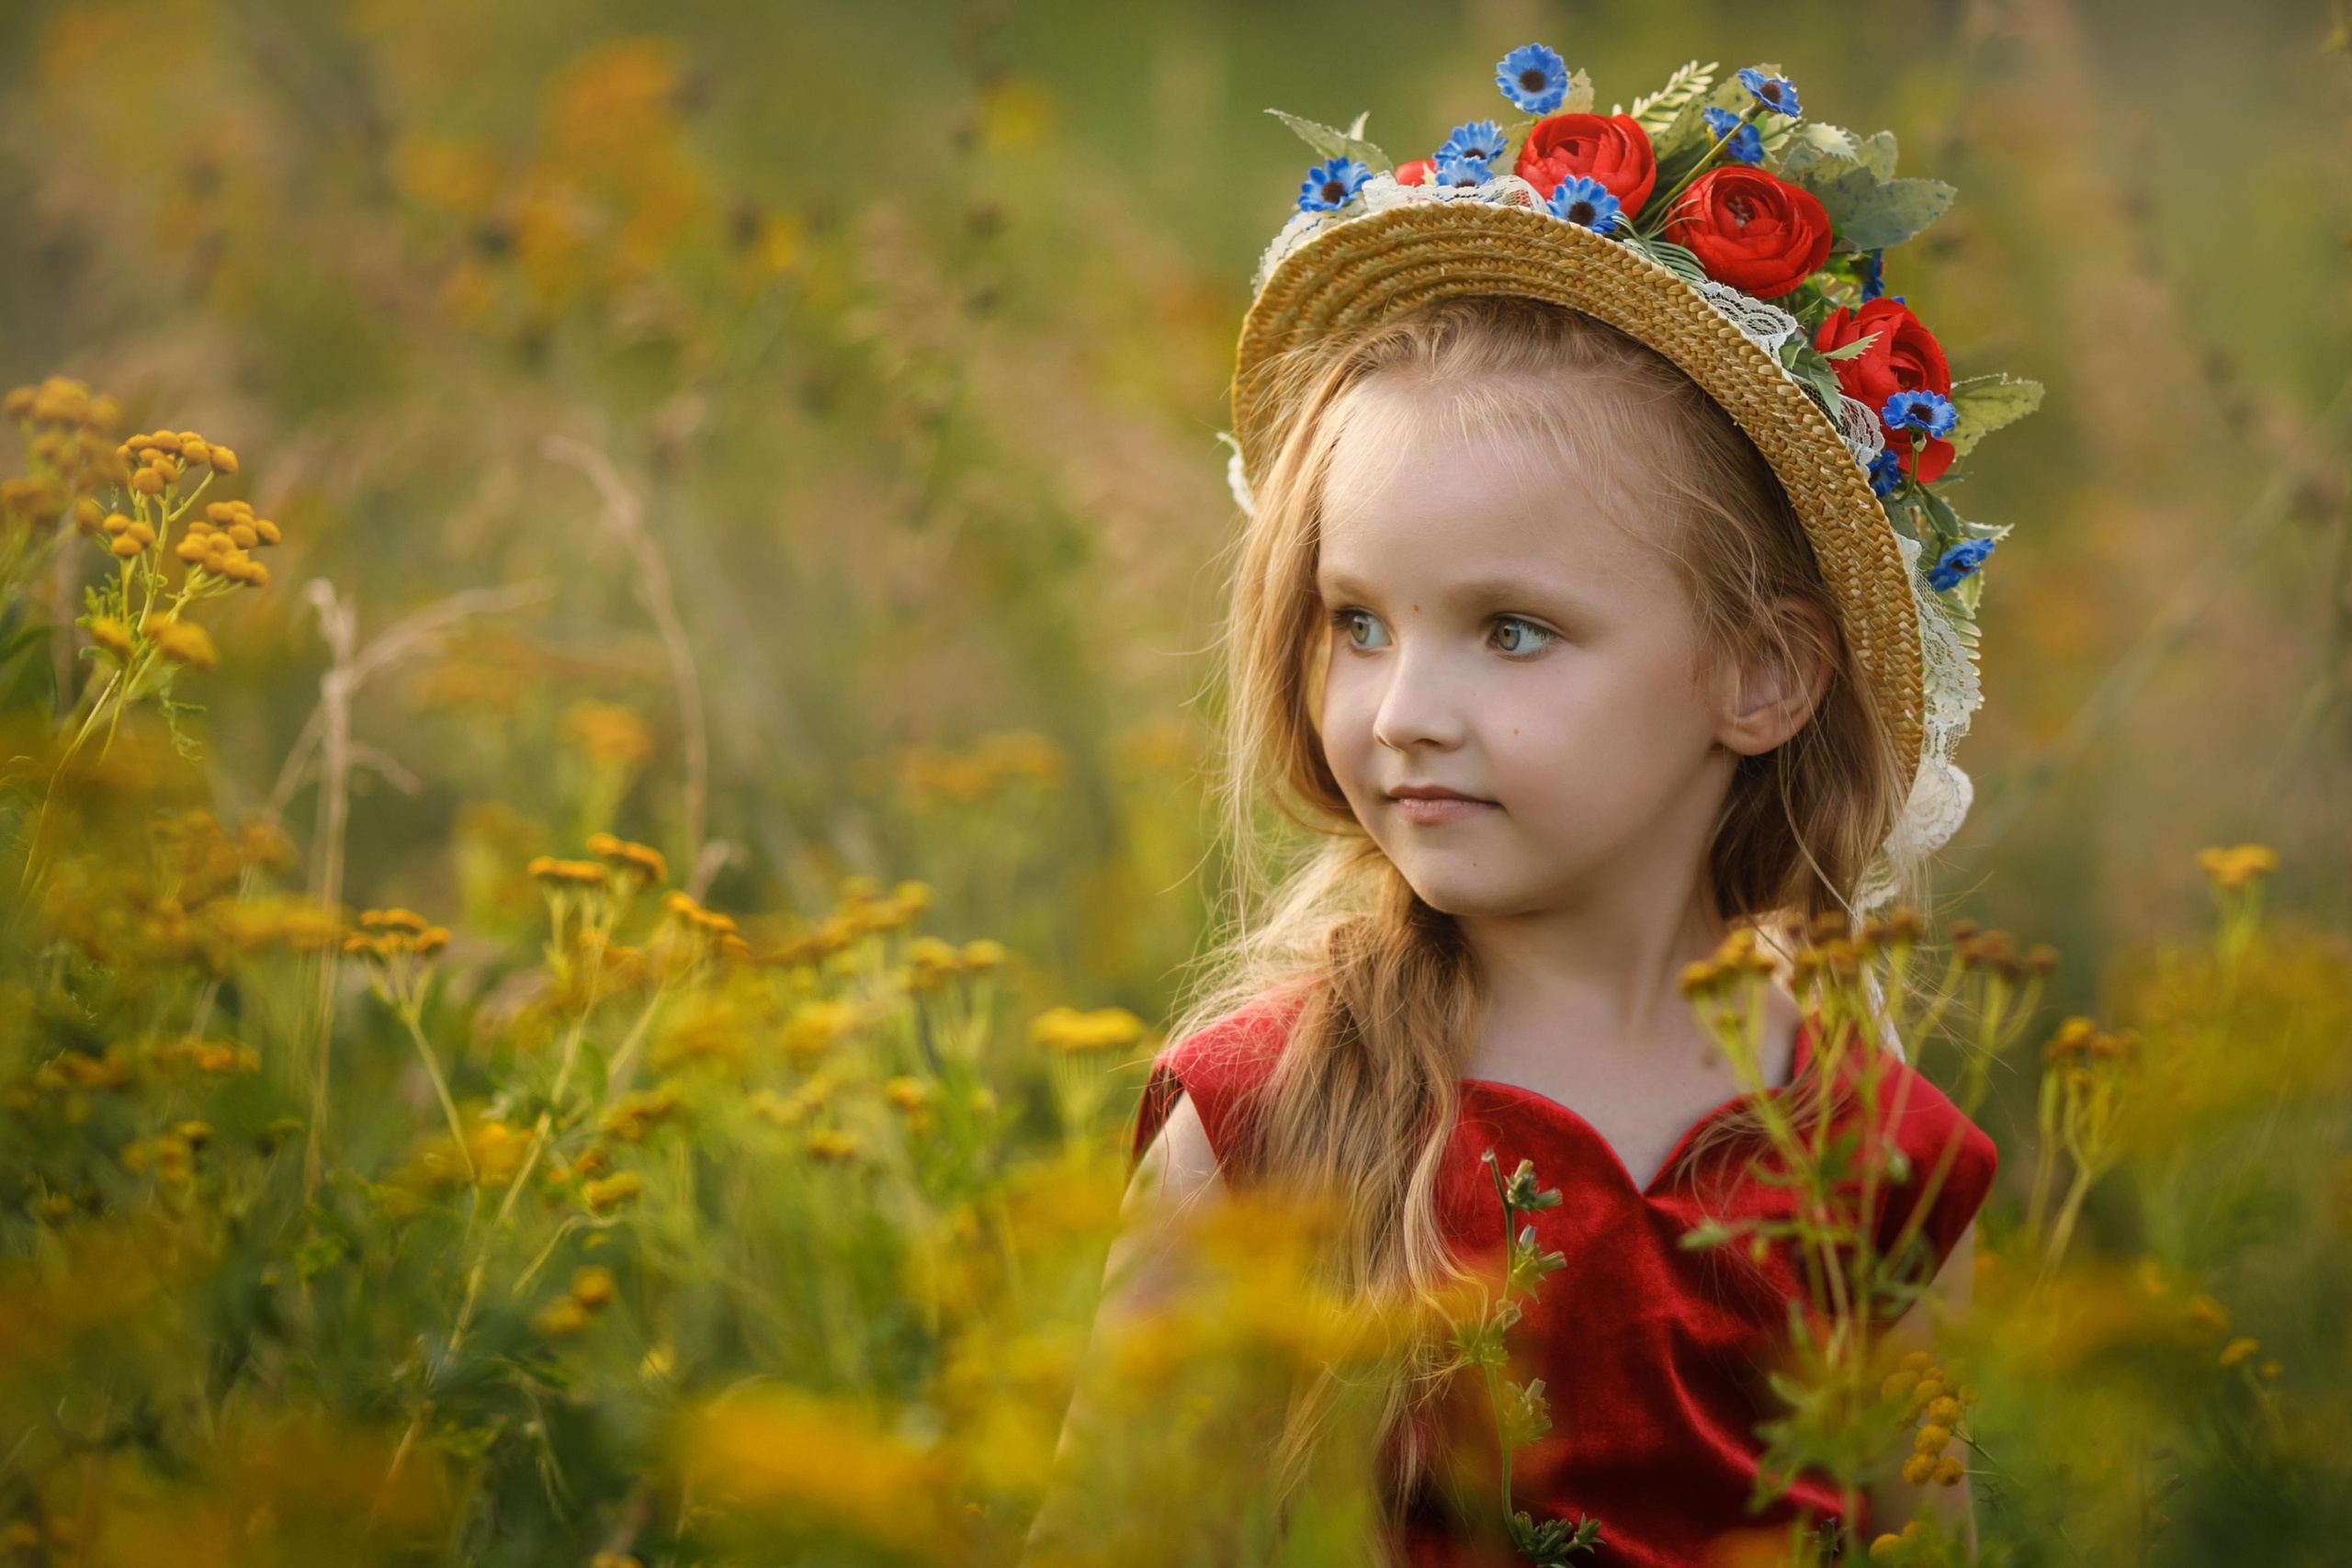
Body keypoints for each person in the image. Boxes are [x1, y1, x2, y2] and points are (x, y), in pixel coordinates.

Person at [1067, 45, 2024, 1568]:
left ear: (1763, 677)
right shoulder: (1266, 1120)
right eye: (1358, 622)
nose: (1403, 710)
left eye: (1511, 631)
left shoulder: (1871, 1160)